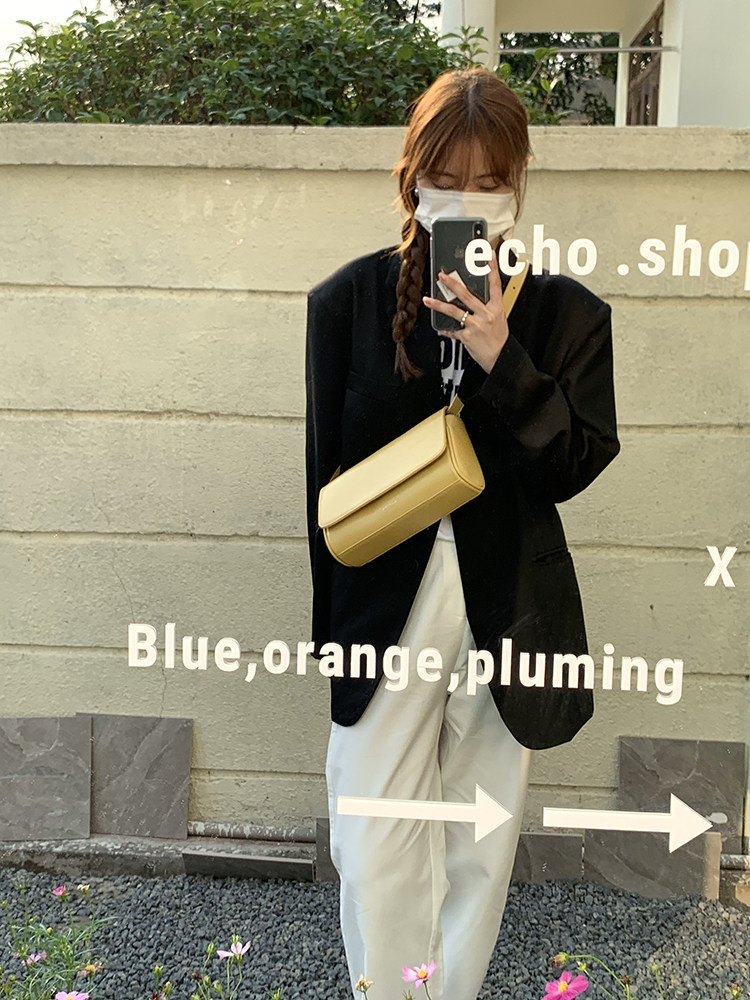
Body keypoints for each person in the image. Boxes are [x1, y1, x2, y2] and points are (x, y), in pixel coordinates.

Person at [305, 67, 620, 1000]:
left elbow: (574, 466)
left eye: (489, 182)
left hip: (506, 597)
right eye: (448, 179)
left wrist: (500, 357)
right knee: (371, 836)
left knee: (478, 839)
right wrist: (332, 638)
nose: (469, 199)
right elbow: (325, 490)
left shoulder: (566, 315)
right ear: (413, 181)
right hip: (383, 602)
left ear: (519, 185)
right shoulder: (347, 303)